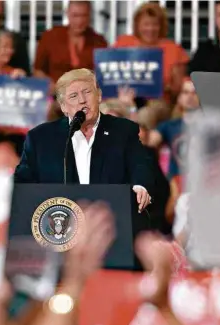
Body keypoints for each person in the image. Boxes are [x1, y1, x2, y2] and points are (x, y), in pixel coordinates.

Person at [15, 68, 154, 213]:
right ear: (63, 107)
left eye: (87, 92)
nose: (82, 100)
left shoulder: (123, 130)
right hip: (58, 223)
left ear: (99, 96)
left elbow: (140, 164)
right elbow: (22, 182)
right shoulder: (40, 138)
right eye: (73, 96)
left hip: (110, 219)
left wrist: (140, 186)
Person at [114, 2, 189, 105]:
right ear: (137, 25)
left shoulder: (174, 49)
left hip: (157, 101)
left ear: (161, 26)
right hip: (123, 98)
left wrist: (164, 87)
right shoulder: (123, 43)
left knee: (145, 116)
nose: (150, 29)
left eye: (155, 24)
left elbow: (178, 89)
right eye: (146, 24)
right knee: (108, 110)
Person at [33, 1, 107, 94]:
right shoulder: (50, 36)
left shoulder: (99, 41)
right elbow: (38, 70)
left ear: (89, 16)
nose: (79, 21)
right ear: (67, 13)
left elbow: (103, 75)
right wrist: (50, 85)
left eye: (84, 16)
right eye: (75, 16)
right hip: (56, 96)